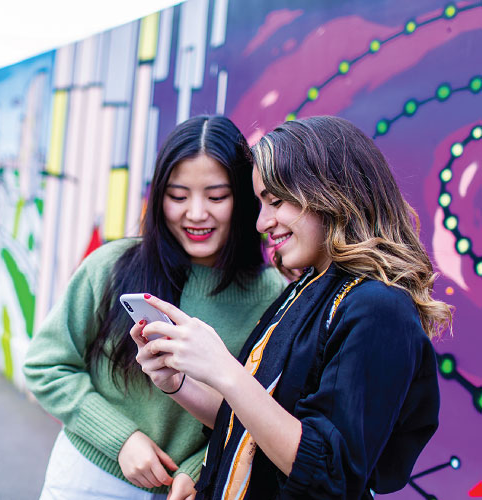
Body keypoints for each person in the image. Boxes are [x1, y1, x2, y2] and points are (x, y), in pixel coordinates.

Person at [131, 115, 452, 499]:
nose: (262, 222)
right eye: (260, 203)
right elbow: (251, 421)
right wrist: (178, 382)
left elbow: (330, 474)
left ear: (333, 192)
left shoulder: (379, 307)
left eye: (276, 201)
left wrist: (225, 369)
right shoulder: (305, 286)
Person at [24, 115, 287, 499]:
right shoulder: (112, 265)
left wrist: (199, 467)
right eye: (178, 196)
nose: (196, 213)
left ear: (245, 199)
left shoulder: (273, 295)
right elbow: (46, 365)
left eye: (216, 196)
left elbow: (260, 410)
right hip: (90, 476)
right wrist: (121, 440)